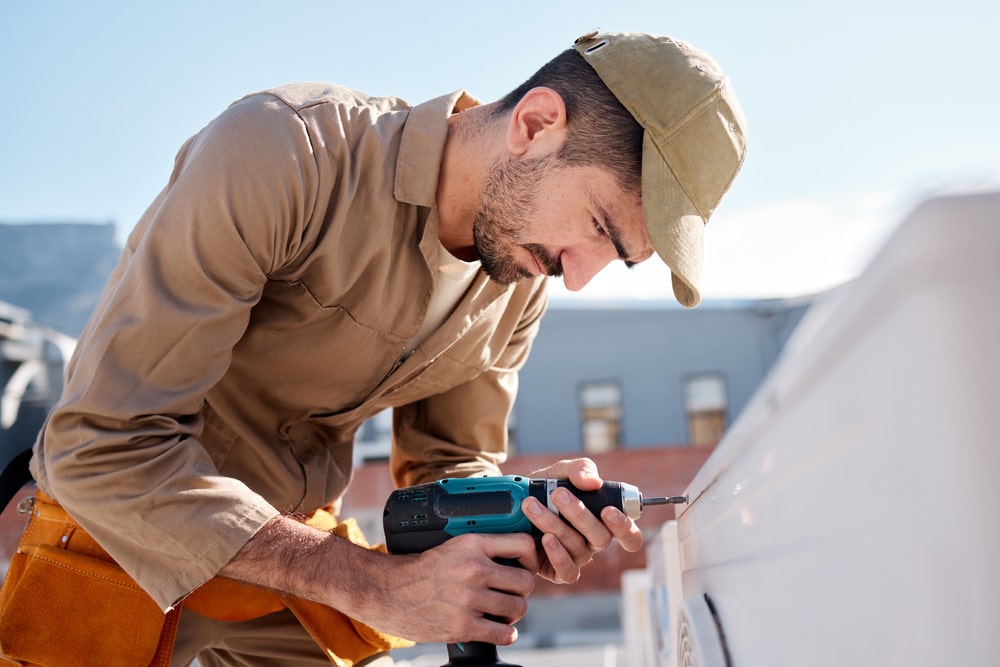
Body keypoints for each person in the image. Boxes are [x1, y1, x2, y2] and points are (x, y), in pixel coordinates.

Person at [0, 30, 746, 667]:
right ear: (536, 123)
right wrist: (365, 581)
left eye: (616, 260)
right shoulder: (285, 150)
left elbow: (446, 476)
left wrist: (518, 517)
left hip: (290, 571)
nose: (578, 278)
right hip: (122, 533)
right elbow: (102, 448)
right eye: (598, 227)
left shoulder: (517, 280)